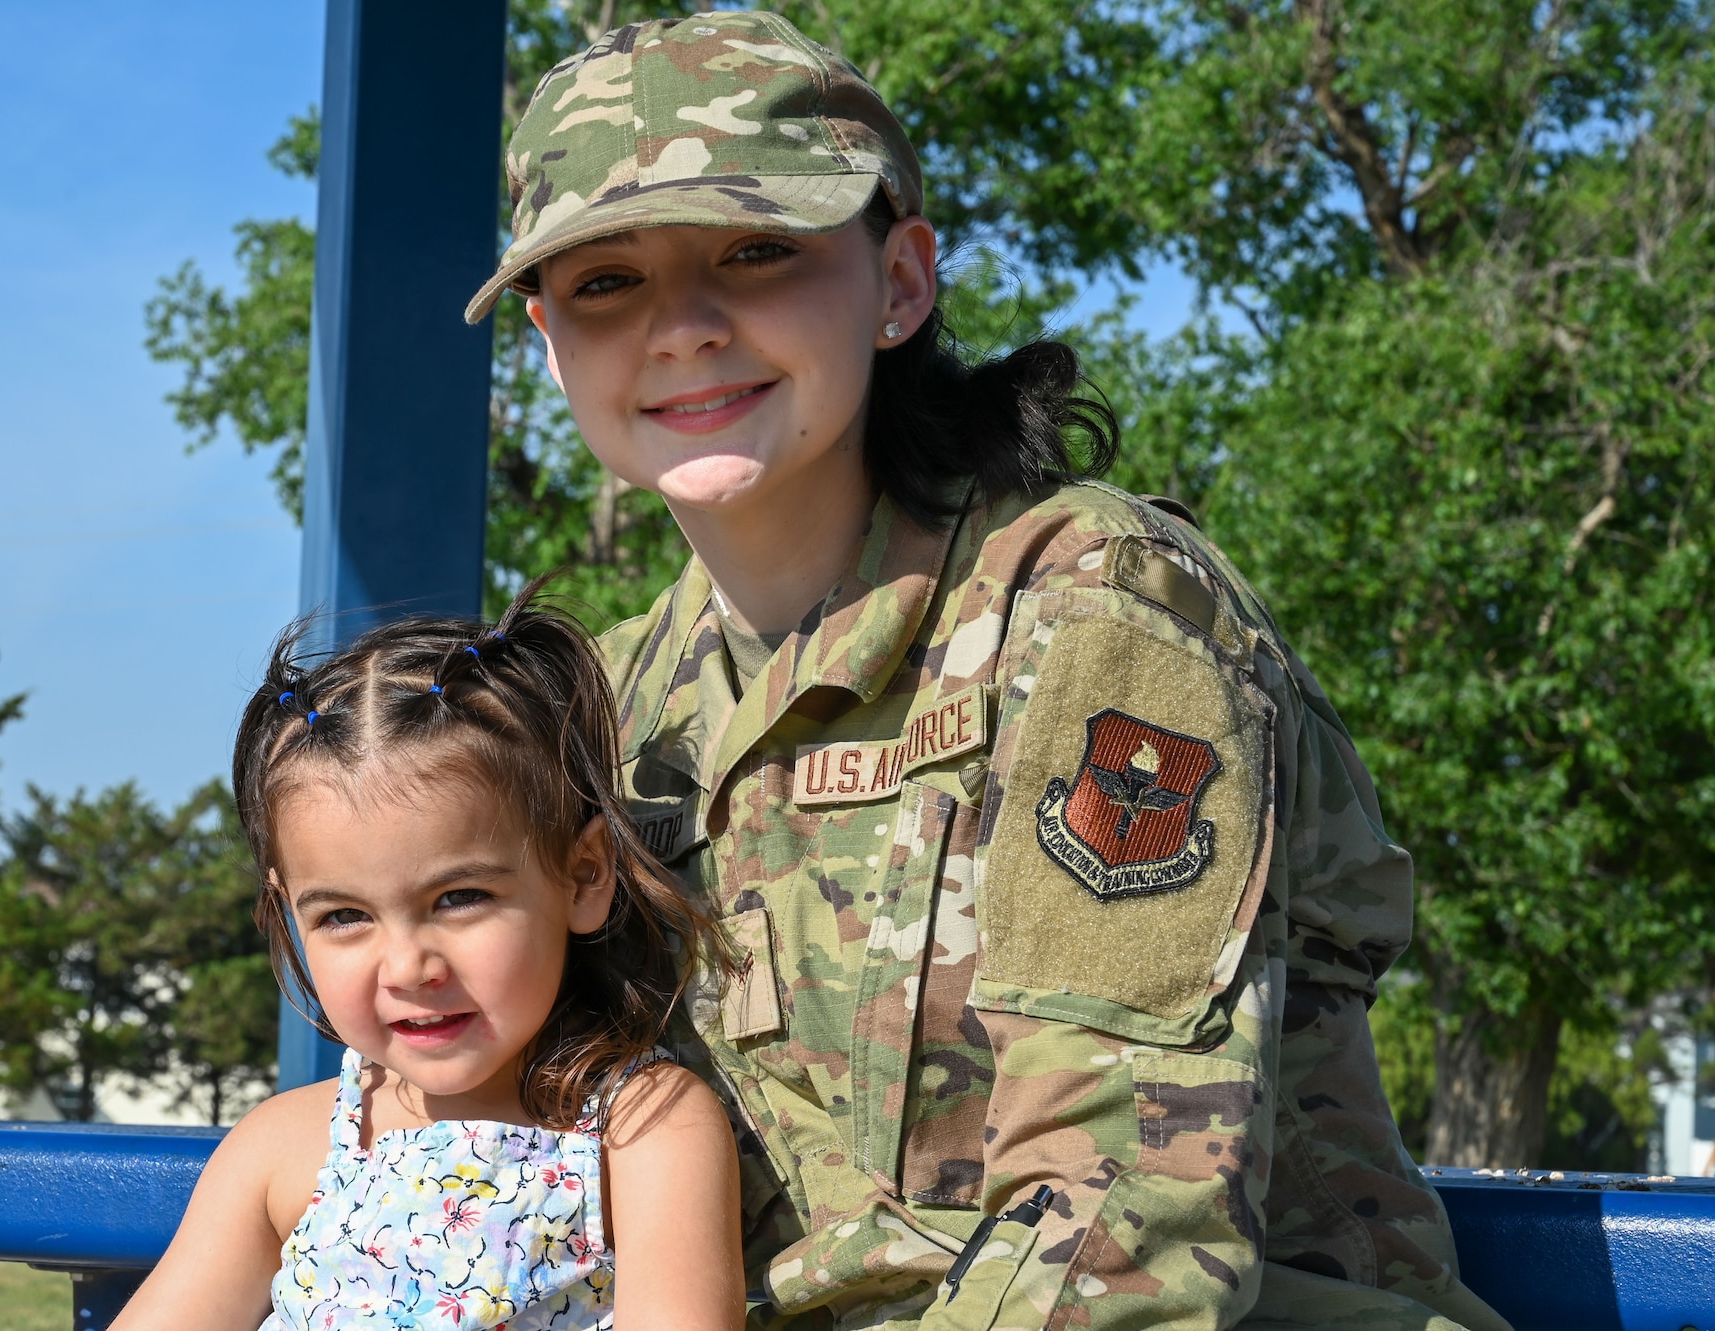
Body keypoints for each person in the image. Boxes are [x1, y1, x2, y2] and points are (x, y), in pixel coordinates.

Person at [463, 11, 1512, 1331]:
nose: (682, 326)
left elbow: (1126, 1237)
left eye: (757, 251)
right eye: (606, 282)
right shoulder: (596, 715)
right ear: (552, 347)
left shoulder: (1098, 613)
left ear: (900, 283)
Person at [112, 589, 746, 1331]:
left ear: (582, 876)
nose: (409, 966)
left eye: (459, 897)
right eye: (344, 915)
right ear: (290, 913)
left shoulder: (643, 1130)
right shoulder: (281, 1148)